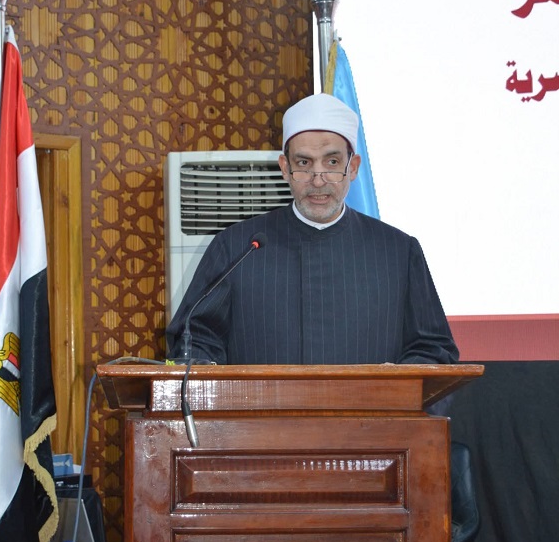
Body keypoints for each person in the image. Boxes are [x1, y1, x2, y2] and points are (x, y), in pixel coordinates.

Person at [166, 93, 458, 367]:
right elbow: (194, 339)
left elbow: (433, 349)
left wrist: (395, 385)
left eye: (332, 162)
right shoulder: (237, 247)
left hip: (370, 408)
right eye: (304, 163)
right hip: (260, 409)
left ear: (353, 167)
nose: (318, 180)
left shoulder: (398, 251)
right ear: (285, 168)